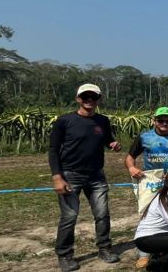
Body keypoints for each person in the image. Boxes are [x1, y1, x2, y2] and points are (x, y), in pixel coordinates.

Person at [49, 84, 122, 271]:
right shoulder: (65, 121)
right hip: (70, 175)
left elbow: (107, 139)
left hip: (96, 175)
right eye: (85, 96)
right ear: (78, 99)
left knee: (102, 214)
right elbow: (53, 150)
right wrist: (57, 177)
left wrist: (113, 144)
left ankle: (104, 248)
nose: (89, 99)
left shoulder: (103, 121)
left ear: (99, 100)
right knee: (69, 216)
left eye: (93, 96)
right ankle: (65, 254)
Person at [124, 107, 168, 268]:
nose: (164, 123)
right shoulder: (145, 136)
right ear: (155, 120)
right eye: (161, 120)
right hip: (151, 182)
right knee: (147, 213)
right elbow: (130, 156)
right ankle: (144, 253)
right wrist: (131, 168)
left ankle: (167, 245)